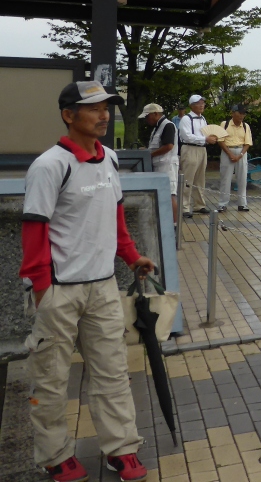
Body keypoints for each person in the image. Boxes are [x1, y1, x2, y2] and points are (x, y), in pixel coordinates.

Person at [21, 81, 156, 482]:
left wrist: (131, 256)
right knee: (50, 379)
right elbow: (34, 230)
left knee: (112, 371)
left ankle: (121, 448)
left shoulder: (109, 158)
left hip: (103, 286)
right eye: (94, 108)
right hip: (58, 289)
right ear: (69, 115)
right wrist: (42, 289)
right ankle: (54, 455)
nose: (104, 115)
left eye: (106, 108)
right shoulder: (49, 165)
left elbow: (115, 217)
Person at [178, 94, 219, 217]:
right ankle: (184, 207)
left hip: (202, 149)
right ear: (192, 106)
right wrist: (205, 139)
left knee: (200, 179)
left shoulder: (203, 119)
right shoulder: (186, 119)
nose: (201, 105)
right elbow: (187, 136)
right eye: (198, 103)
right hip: (190, 148)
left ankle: (199, 205)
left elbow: (205, 133)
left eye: (202, 103)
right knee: (187, 179)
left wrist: (210, 138)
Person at [140, 102, 179, 221]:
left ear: (155, 114)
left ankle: (174, 224)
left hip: (167, 165)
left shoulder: (168, 125)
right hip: (160, 165)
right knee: (163, 194)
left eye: (147, 116)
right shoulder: (158, 127)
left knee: (170, 194)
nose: (147, 119)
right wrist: (147, 150)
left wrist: (150, 154)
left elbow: (169, 146)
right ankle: (165, 221)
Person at [217, 105, 252, 213]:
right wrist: (230, 154)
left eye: (243, 113)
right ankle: (222, 204)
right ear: (233, 113)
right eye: (239, 113)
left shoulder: (245, 126)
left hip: (241, 151)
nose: (242, 116)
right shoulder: (225, 124)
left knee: (242, 179)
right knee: (225, 178)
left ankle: (242, 204)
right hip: (227, 150)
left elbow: (248, 143)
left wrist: (240, 155)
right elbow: (220, 140)